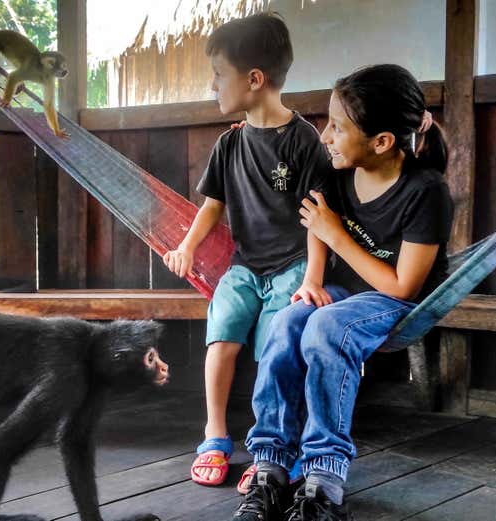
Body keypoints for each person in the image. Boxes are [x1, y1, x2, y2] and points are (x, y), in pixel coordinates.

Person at [232, 63, 454, 521]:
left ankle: (323, 482)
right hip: (343, 290)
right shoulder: (336, 169)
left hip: (396, 300)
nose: (326, 135)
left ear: (382, 142)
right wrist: (311, 280)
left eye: (338, 126)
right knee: (288, 321)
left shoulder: (425, 191)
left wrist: (337, 238)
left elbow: (402, 284)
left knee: (326, 328)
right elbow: (317, 219)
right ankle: (270, 467)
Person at [162, 12, 335, 487]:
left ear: (254, 79)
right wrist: (185, 246)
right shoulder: (229, 144)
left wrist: (312, 279)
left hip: (291, 266)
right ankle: (214, 433)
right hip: (244, 266)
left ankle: (274, 446)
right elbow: (211, 207)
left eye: (219, 74)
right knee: (222, 335)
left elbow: (319, 222)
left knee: (274, 350)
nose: (212, 84)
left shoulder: (305, 143)